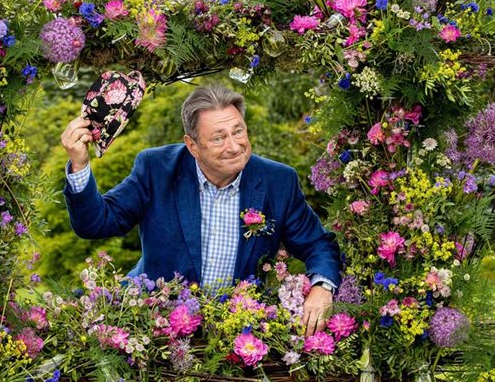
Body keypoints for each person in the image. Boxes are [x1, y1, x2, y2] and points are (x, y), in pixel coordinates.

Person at [61, 83, 341, 336]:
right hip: (157, 330)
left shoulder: (278, 181)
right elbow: (96, 223)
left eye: (238, 131)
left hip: (240, 334)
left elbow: (317, 243)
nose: (234, 146)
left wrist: (322, 287)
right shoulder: (156, 168)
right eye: (218, 138)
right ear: (192, 146)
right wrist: (80, 165)